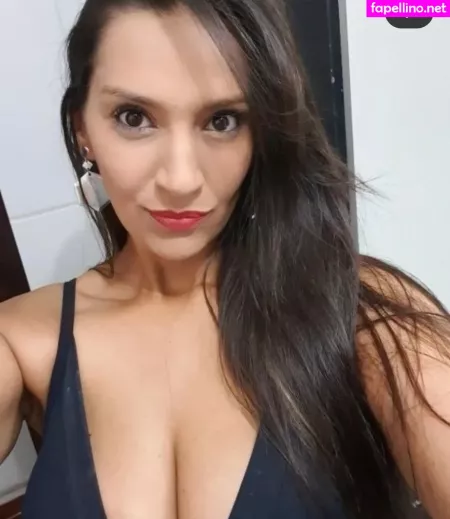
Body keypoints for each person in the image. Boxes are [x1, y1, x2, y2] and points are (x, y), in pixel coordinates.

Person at [0, 0, 449, 517]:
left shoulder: (359, 310)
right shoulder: (23, 339)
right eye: (134, 118)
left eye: (222, 121)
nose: (181, 179)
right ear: (83, 130)